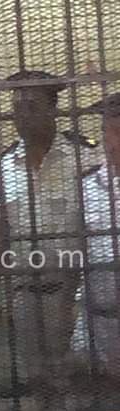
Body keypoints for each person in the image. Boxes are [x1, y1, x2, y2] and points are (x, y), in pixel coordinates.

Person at [0, 69, 104, 403]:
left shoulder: (84, 156)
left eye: (32, 106)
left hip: (75, 292)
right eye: (16, 108)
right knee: (38, 384)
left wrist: (76, 298)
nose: (22, 116)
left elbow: (99, 226)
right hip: (24, 294)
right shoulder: (7, 163)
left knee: (81, 384)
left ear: (53, 108)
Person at [72, 93, 120, 378]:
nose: (112, 143)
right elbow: (75, 252)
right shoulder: (87, 185)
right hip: (98, 319)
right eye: (107, 132)